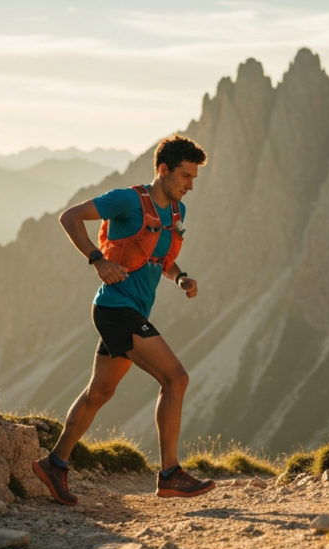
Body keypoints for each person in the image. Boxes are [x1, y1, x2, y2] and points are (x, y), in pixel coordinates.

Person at [32, 134, 215, 505]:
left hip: (131, 309)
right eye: (185, 176)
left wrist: (180, 278)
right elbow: (69, 217)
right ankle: (169, 474)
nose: (190, 185)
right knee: (176, 378)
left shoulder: (177, 212)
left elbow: (160, 258)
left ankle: (54, 464)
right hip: (116, 309)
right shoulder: (128, 200)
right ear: (163, 170)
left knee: (99, 393)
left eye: (194, 178)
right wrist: (97, 260)